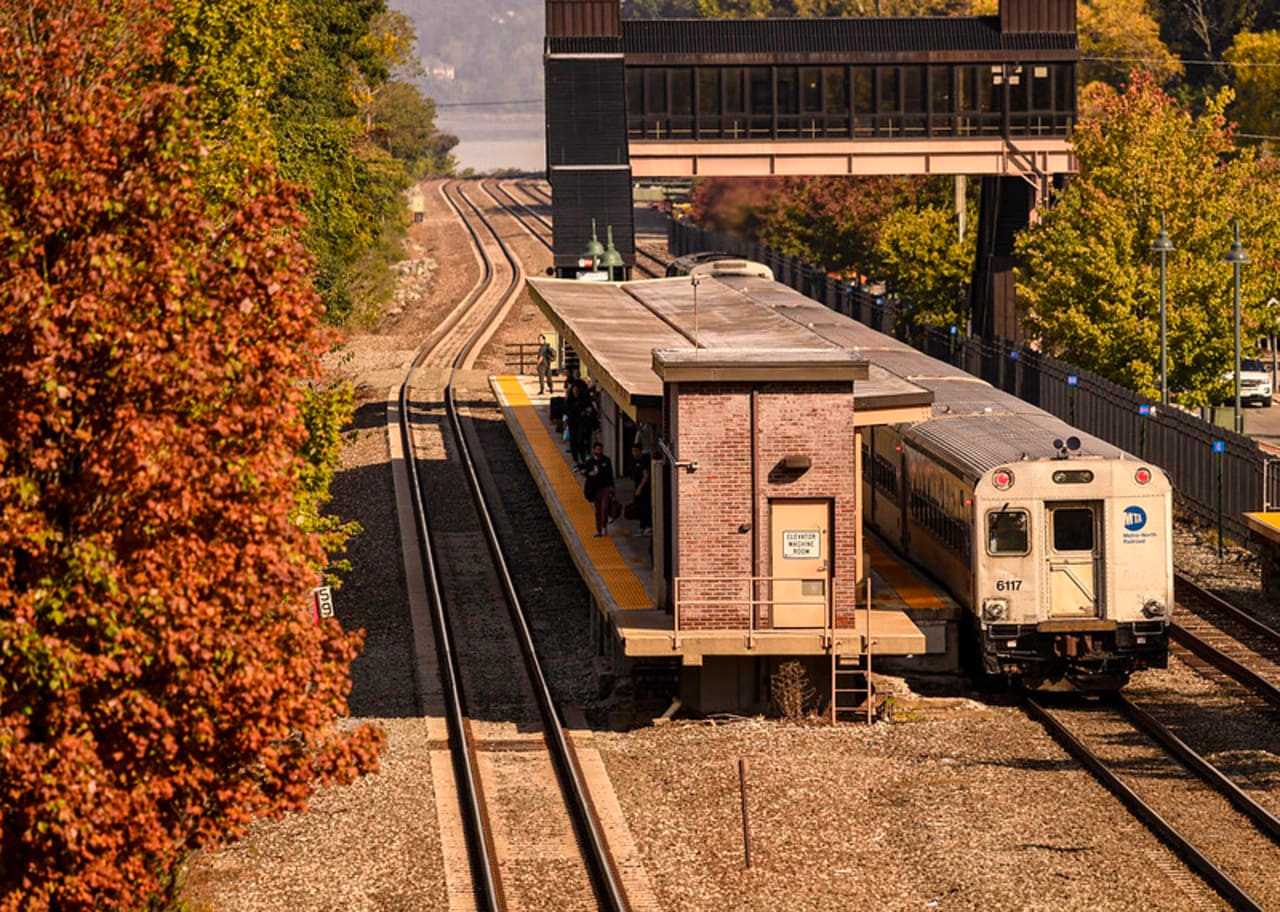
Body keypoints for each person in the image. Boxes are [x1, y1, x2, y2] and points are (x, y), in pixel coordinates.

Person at [583, 441, 616, 537]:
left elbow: (610, 474)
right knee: (598, 510)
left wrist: (612, 487)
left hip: (605, 487)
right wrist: (591, 474)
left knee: (604, 508)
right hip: (595, 489)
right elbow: (586, 473)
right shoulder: (590, 462)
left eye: (600, 449)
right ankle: (598, 530)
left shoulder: (606, 460)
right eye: (597, 449)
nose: (599, 451)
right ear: (593, 450)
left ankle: (604, 526)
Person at [629, 441, 652, 535]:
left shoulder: (644, 460)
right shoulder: (635, 461)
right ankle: (642, 526)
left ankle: (648, 526)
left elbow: (646, 475)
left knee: (645, 507)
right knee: (640, 507)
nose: (634, 453)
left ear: (640, 451)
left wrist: (640, 488)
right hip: (637, 486)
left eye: (635, 451)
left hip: (644, 488)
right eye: (633, 451)